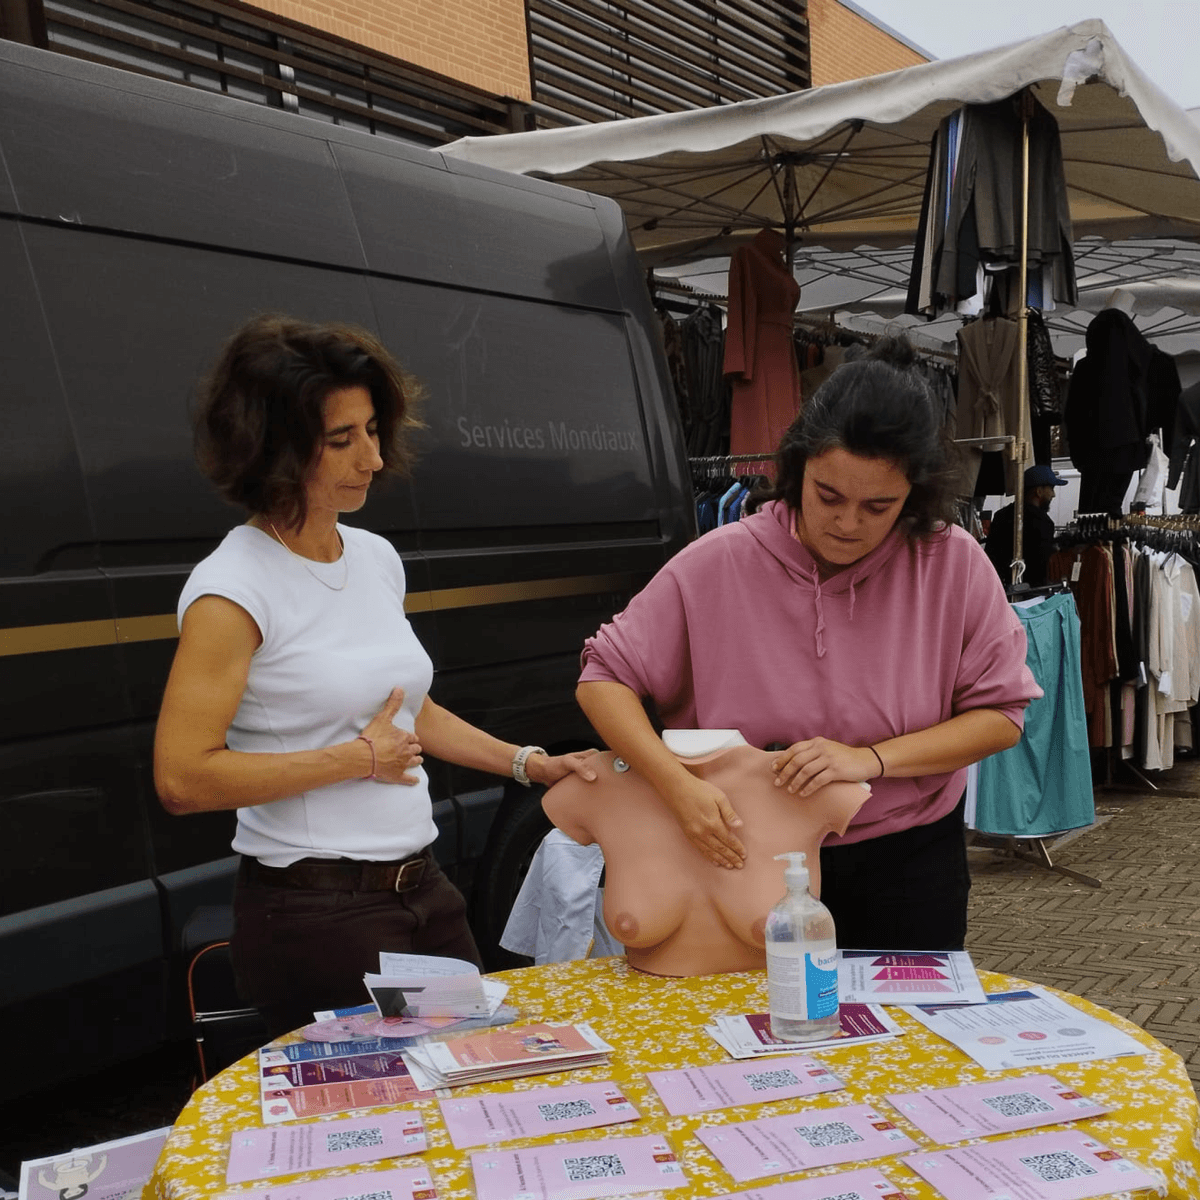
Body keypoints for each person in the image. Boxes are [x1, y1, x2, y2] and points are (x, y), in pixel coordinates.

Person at [153, 314, 597, 1037]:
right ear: (274, 448)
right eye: (342, 439)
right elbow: (182, 778)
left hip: (422, 890)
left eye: (371, 429)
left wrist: (527, 765)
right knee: (388, 1124)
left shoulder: (373, 557)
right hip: (316, 913)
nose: (373, 456)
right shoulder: (231, 590)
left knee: (472, 1079)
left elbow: (406, 709)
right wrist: (357, 760)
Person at [576, 337, 1041, 953]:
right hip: (740, 853)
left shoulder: (953, 562)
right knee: (751, 1039)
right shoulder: (718, 561)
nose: (849, 523)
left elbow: (1001, 716)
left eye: (879, 506)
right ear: (797, 471)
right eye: (829, 496)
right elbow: (603, 678)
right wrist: (676, 786)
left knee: (902, 1044)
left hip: (905, 859)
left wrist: (870, 759)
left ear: (915, 497)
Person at [984, 463, 1065, 588]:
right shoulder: (1043, 522)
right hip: (1030, 592)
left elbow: (990, 556)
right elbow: (1042, 565)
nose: (1053, 495)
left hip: (1000, 587)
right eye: (1051, 489)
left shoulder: (1001, 515)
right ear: (1039, 491)